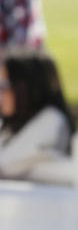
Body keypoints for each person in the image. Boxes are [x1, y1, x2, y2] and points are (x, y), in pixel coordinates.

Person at [0, 48, 73, 178]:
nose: (1, 94)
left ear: (28, 87)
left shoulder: (52, 120)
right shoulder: (11, 126)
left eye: (5, 85)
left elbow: (4, 164)